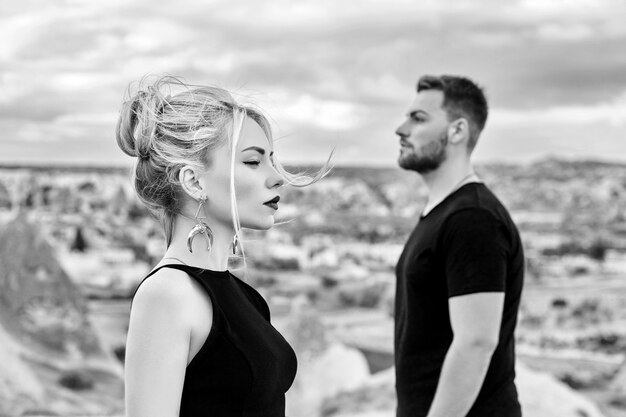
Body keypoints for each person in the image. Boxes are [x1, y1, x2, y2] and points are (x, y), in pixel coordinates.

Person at [117, 75, 330, 417]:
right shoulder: (167, 294)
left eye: (271, 159)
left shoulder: (246, 297)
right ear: (193, 181)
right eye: (252, 161)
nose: (276, 176)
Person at [393, 75, 525, 417]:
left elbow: (476, 343)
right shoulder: (445, 213)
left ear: (457, 131)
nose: (401, 129)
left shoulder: (472, 218)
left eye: (418, 118)